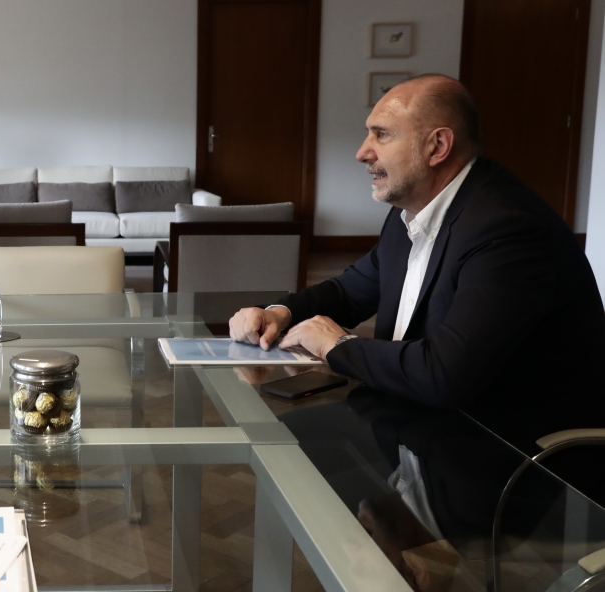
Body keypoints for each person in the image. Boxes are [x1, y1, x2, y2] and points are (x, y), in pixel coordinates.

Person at [229, 74, 605, 443]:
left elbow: (445, 375)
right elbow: (351, 290)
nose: (362, 152)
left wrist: (336, 345)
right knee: (278, 443)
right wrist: (280, 313)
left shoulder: (507, 229)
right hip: (417, 416)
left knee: (289, 450)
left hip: (500, 448)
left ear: (437, 146)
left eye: (382, 134)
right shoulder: (413, 210)